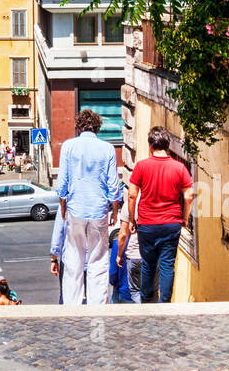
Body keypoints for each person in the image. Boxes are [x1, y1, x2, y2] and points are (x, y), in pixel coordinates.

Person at [56, 109, 123, 306]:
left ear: (79, 126)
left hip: (75, 210)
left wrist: (63, 208)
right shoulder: (107, 149)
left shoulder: (68, 147)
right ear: (97, 127)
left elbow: (62, 183)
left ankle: (72, 304)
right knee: (98, 258)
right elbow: (114, 185)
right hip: (98, 211)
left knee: (74, 258)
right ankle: (97, 304)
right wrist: (115, 211)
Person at [127, 126, 196, 304]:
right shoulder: (179, 167)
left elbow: (132, 194)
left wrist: (132, 219)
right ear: (167, 145)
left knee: (148, 263)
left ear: (150, 146)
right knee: (167, 264)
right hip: (171, 223)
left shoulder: (141, 166)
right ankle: (164, 302)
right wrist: (185, 217)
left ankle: (146, 300)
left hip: (147, 223)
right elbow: (189, 195)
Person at [114, 183, 144, 304]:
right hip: (151, 254)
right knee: (151, 289)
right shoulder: (154, 202)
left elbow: (122, 235)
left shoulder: (129, 205)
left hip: (134, 255)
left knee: (136, 290)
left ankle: (142, 313)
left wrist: (119, 255)